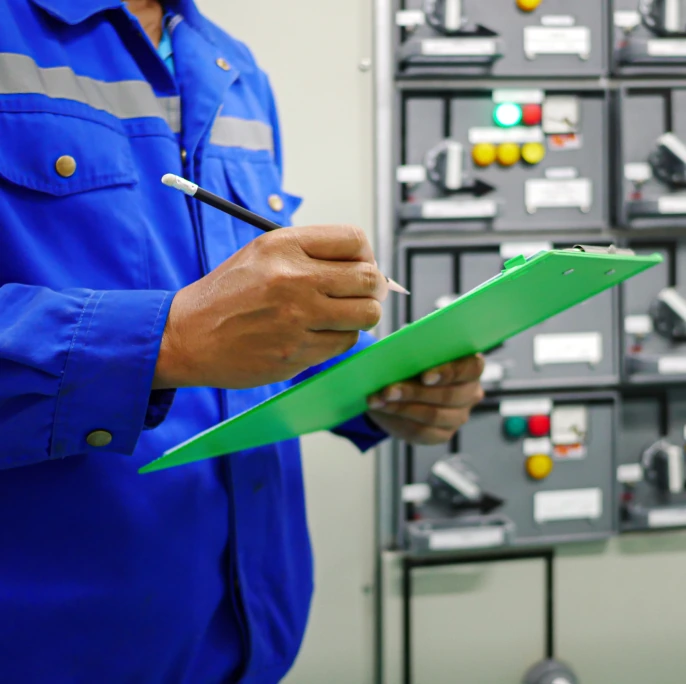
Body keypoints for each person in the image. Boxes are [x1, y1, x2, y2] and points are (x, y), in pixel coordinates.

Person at [0, 1, 484, 681]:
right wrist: (166, 340)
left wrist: (376, 386)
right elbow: (192, 326)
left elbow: (240, 316)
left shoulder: (231, 67)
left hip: (244, 644)